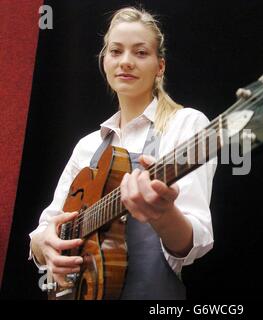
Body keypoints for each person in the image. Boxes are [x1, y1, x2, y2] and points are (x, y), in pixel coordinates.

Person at [29, 6, 216, 300]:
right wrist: (46, 248)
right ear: (104, 61)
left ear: (160, 66)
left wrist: (164, 213)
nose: (126, 62)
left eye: (140, 53)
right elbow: (43, 232)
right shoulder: (87, 145)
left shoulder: (187, 124)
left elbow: (194, 243)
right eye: (116, 51)